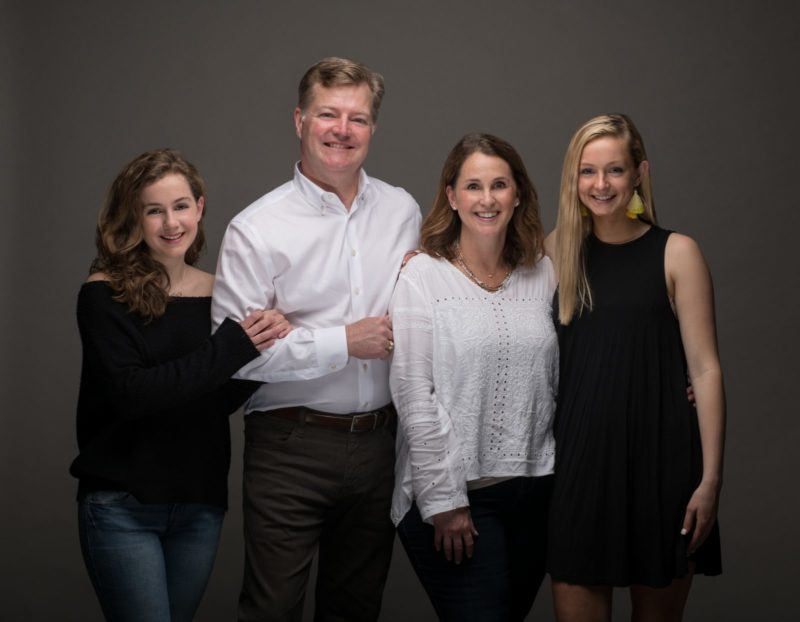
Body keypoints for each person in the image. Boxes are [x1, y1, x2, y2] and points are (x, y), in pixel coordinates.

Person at [211, 57, 422, 621]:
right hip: (290, 448)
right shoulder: (256, 229)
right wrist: (341, 341)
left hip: (381, 444)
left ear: (372, 129)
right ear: (299, 120)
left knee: (355, 608)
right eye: (328, 114)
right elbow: (234, 362)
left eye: (357, 118)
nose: (342, 130)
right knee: (272, 609)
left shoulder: (403, 211)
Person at [70, 148, 291, 622]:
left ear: (200, 207)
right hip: (122, 504)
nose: (171, 223)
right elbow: (134, 395)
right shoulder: (102, 293)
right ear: (135, 217)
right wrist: (234, 347)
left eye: (181, 206)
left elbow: (213, 397)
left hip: (198, 504)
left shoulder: (219, 292)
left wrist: (265, 349)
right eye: (154, 210)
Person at [545, 114, 725, 621]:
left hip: (662, 468)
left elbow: (706, 370)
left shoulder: (677, 253)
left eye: (615, 170)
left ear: (639, 173)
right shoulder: (556, 250)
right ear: (573, 178)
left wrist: (710, 481)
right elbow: (484, 289)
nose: (600, 185)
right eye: (588, 172)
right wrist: (417, 261)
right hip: (579, 468)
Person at [389, 133, 558, 621]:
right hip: (460, 499)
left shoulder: (543, 273)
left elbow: (590, 355)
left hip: (537, 496)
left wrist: (679, 382)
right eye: (473, 186)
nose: (487, 199)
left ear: (518, 193)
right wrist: (445, 500)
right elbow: (412, 393)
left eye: (500, 185)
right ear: (452, 196)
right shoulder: (422, 277)